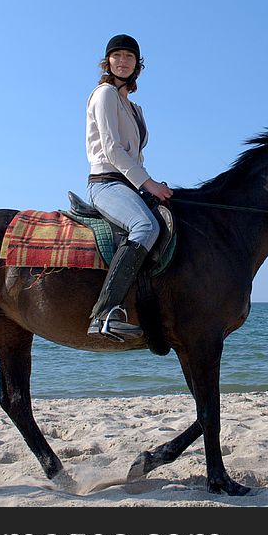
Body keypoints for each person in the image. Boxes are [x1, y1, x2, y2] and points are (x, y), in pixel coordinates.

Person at [85, 34, 173, 341]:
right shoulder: (105, 93)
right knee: (145, 227)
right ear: (108, 61)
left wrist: (151, 184)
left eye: (130, 57)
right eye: (117, 56)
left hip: (130, 184)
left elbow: (135, 155)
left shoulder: (135, 108)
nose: (123, 61)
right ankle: (104, 314)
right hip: (106, 183)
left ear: (138, 65)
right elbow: (112, 149)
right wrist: (146, 182)